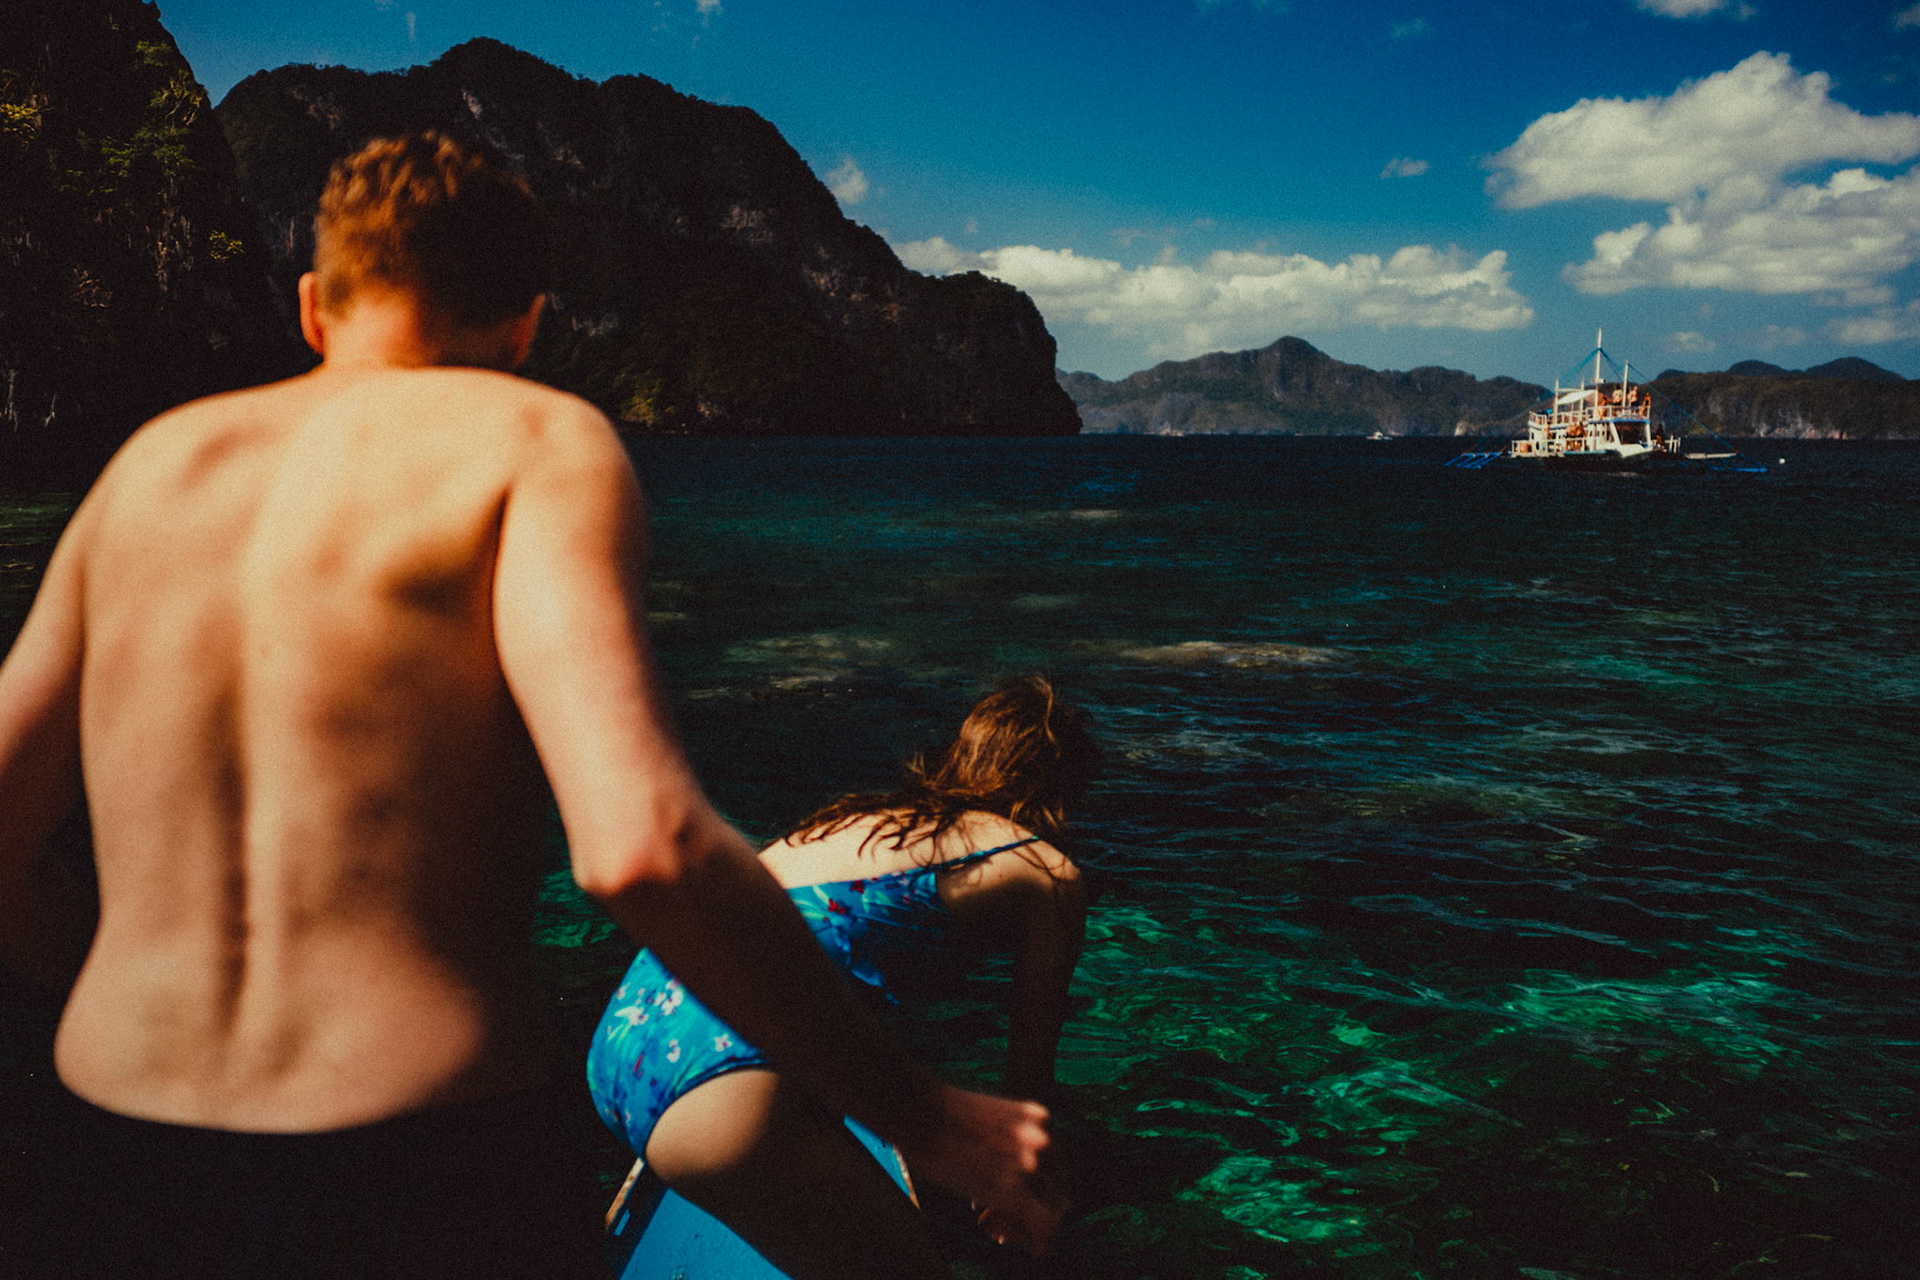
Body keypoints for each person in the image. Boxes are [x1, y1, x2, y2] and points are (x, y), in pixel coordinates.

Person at [0, 131, 1057, 1277]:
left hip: (110, 1142)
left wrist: (109, 991)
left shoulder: (149, 469)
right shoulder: (533, 442)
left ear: (313, 308)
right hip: (413, 1159)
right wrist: (927, 1113)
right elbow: (640, 849)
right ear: (527, 322)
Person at [588, 676, 1098, 1278]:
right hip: (722, 1078)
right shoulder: (1048, 868)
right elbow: (1027, 1091)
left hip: (623, 1047)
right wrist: (1022, 1196)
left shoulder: (856, 821)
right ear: (1063, 787)